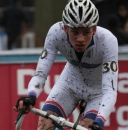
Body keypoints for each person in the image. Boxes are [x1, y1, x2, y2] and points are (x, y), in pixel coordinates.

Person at [13, 0, 118, 130]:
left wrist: (98, 123)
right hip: (69, 84)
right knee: (45, 126)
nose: (80, 39)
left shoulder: (108, 41)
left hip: (98, 92)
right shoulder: (56, 33)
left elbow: (110, 90)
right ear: (65, 28)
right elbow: (40, 74)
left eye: (86, 32)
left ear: (94, 29)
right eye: (74, 32)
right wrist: (31, 96)